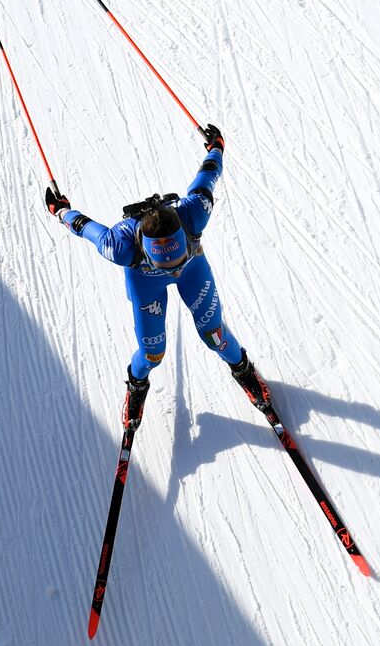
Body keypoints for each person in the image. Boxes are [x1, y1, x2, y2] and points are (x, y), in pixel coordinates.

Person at [42, 123, 271, 427]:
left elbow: (209, 174)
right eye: (166, 264)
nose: (174, 266)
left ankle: (242, 368)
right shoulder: (119, 246)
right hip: (146, 282)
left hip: (192, 270)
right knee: (152, 354)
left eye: (177, 257)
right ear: (144, 251)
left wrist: (217, 146)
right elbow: (85, 227)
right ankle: (136, 386)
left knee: (214, 335)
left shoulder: (194, 212)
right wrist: (60, 211)